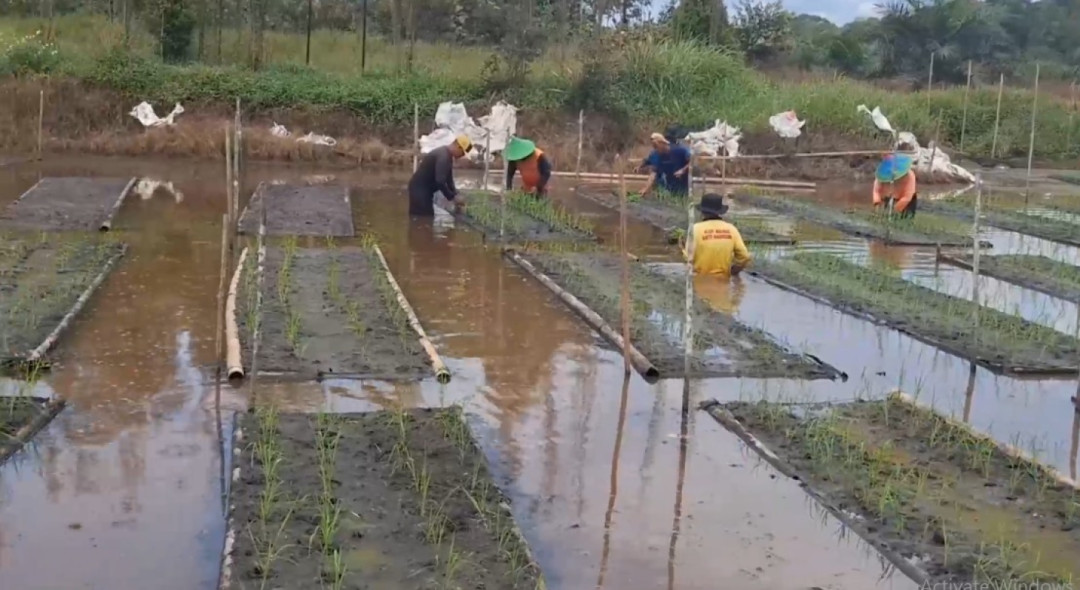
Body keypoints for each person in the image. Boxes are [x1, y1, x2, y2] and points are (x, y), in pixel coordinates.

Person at [680, 193, 751, 278]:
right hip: (723, 281)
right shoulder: (731, 229)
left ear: (702, 212)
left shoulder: (695, 229)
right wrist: (733, 272)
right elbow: (745, 257)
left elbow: (689, 258)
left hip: (701, 280)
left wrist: (682, 249)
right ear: (720, 211)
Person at [407, 135, 472, 216]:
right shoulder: (443, 156)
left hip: (423, 190)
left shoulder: (447, 156)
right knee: (424, 217)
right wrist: (452, 197)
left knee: (425, 218)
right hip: (419, 190)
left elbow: (449, 179)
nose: (462, 156)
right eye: (462, 153)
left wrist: (455, 193)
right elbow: (440, 181)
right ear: (457, 147)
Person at [639, 132, 692, 198]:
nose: (655, 150)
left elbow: (692, 161)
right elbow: (654, 173)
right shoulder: (656, 155)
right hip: (669, 187)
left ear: (662, 143)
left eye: (656, 147)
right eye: (654, 147)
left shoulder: (680, 150)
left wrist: (683, 170)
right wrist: (646, 188)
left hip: (683, 187)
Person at [872, 149, 918, 218]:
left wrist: (895, 209)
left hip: (907, 199)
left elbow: (907, 197)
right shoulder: (882, 174)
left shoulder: (910, 176)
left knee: (905, 217)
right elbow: (876, 191)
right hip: (889, 196)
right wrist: (877, 202)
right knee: (884, 216)